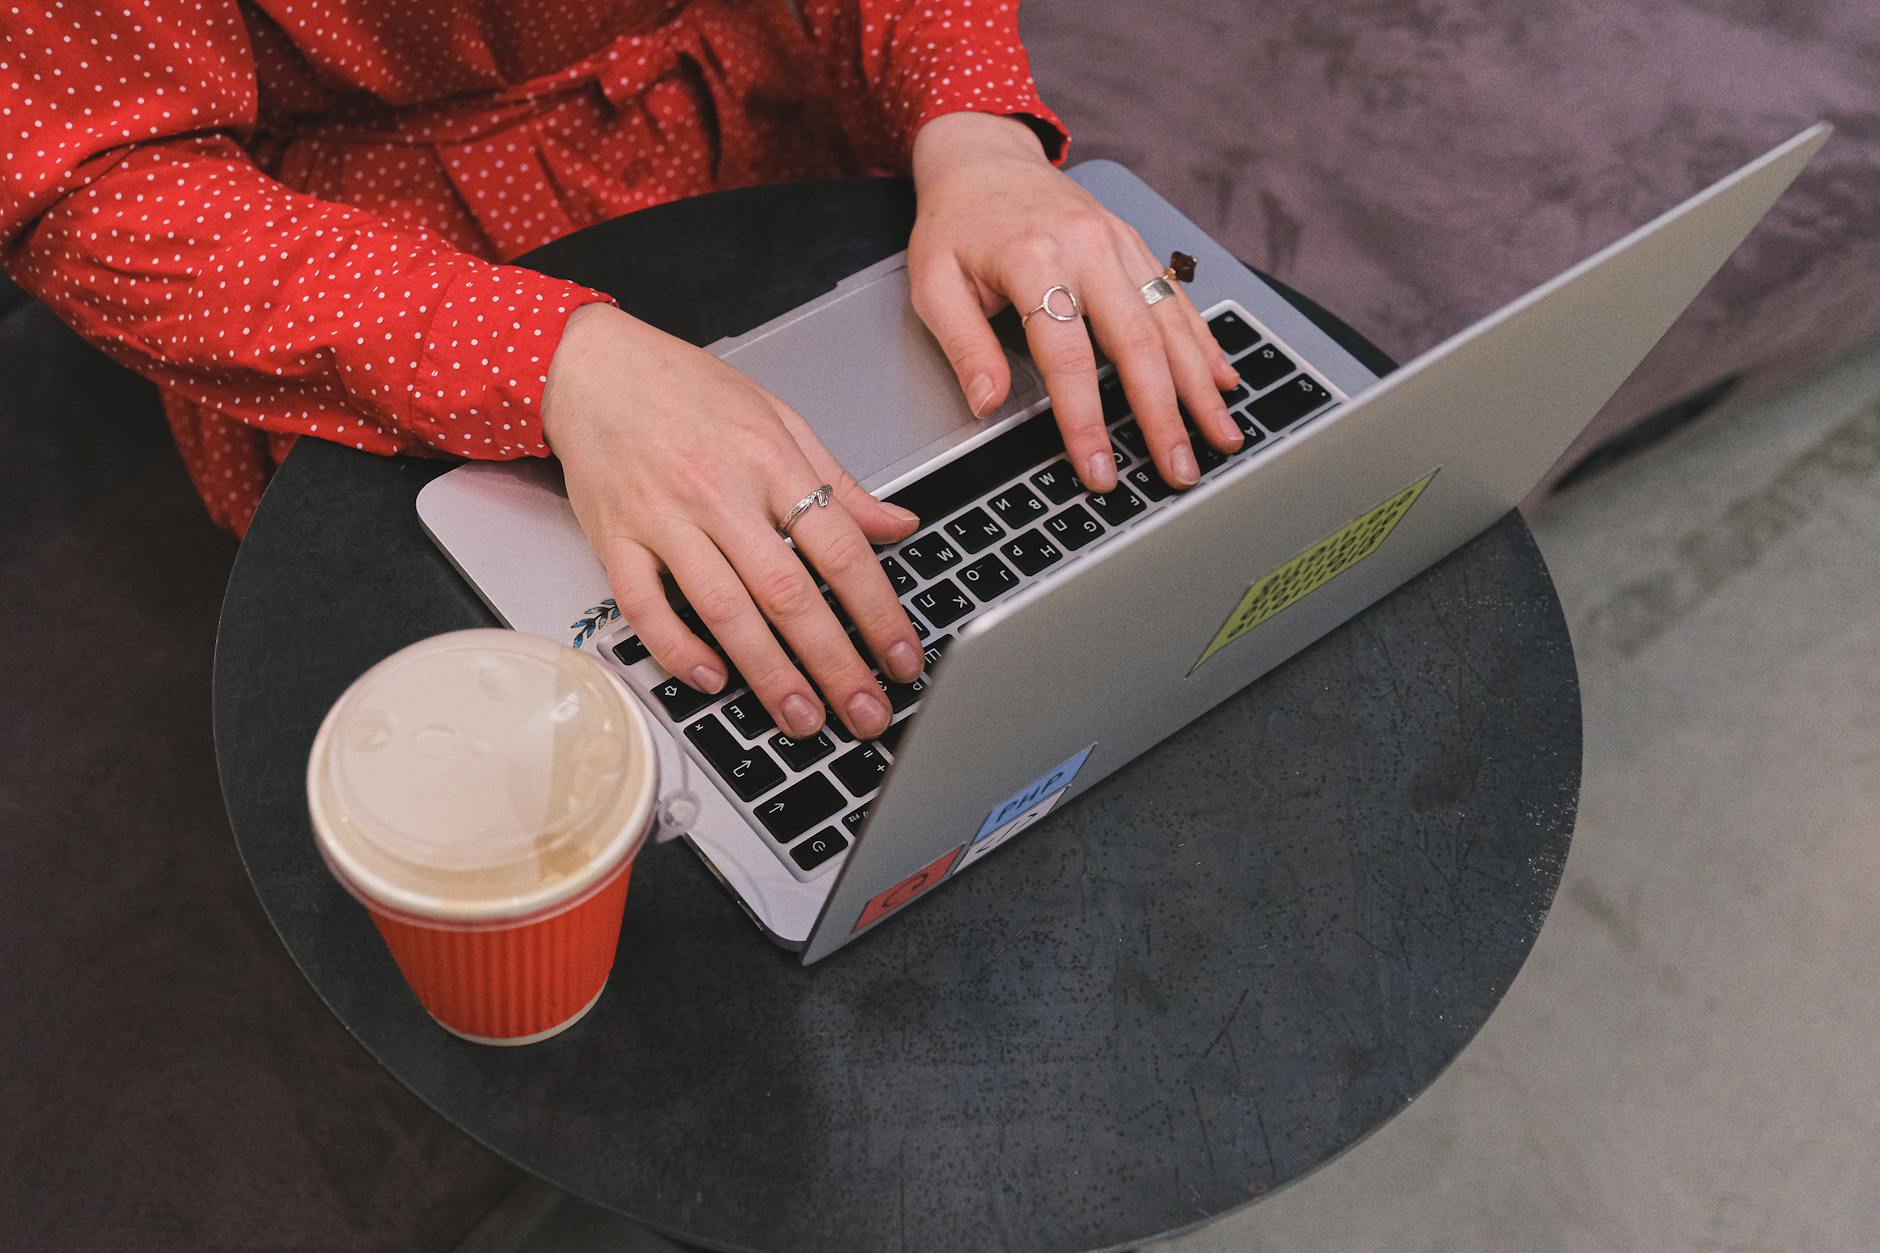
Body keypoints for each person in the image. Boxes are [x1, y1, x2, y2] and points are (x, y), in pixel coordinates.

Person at [1, 1, 1242, 743]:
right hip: (385, 269)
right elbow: (90, 177)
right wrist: (547, 361)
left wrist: (975, 132)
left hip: (763, 120)